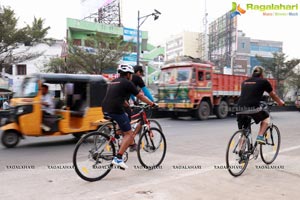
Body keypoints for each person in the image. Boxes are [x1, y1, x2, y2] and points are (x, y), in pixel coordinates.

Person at [102, 64, 156, 169]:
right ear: (128, 74)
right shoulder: (127, 83)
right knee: (129, 134)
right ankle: (118, 158)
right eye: (130, 74)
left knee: (124, 122)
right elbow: (140, 95)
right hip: (116, 109)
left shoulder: (114, 81)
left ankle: (117, 138)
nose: (131, 76)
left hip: (105, 108)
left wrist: (129, 105)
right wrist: (152, 104)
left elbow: (118, 97)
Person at [237, 66, 285, 144]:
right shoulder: (264, 81)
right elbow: (273, 94)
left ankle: (240, 151)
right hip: (253, 108)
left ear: (252, 73)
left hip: (239, 108)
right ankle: (260, 136)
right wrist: (280, 102)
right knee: (266, 118)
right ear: (262, 74)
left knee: (243, 132)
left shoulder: (244, 82)